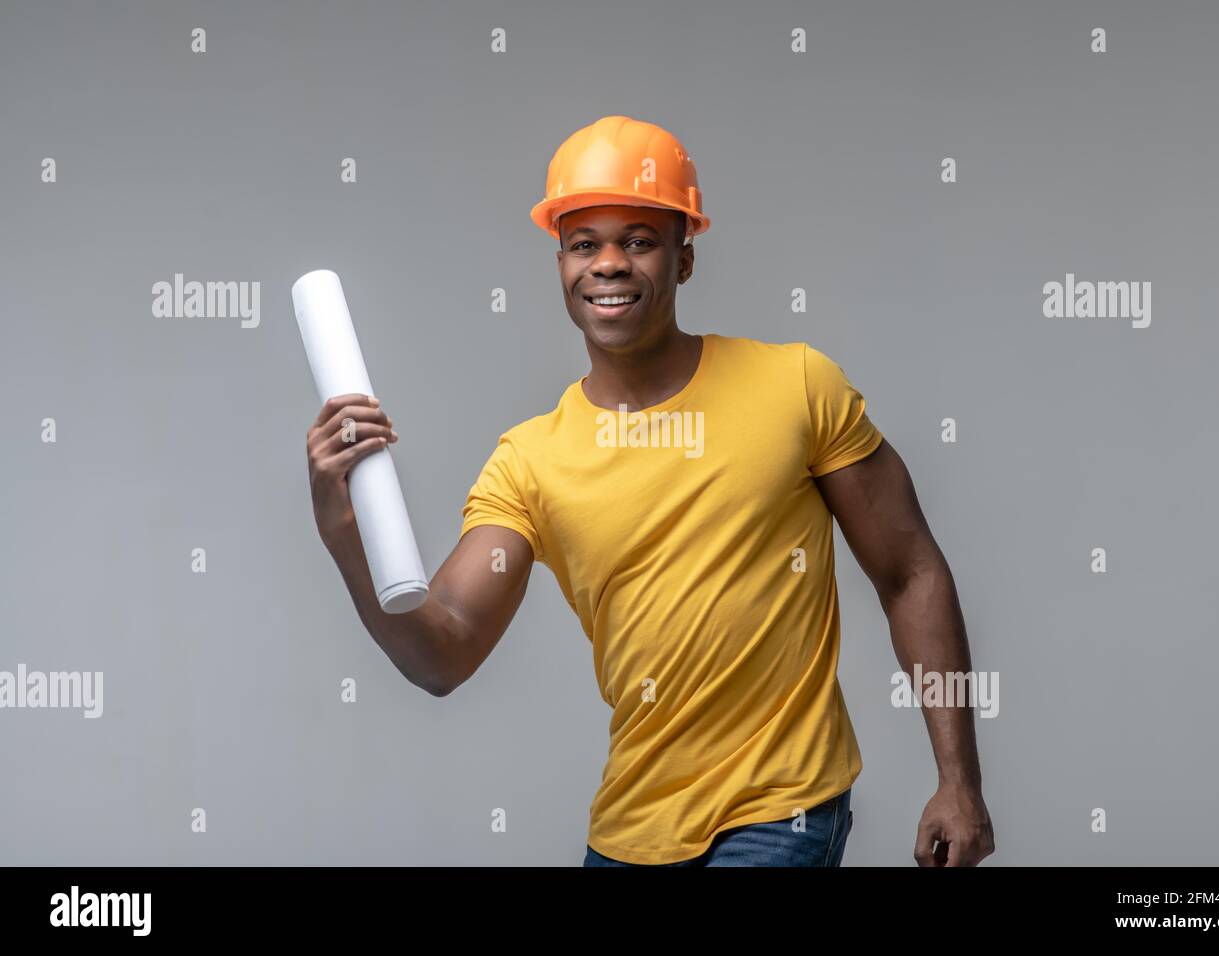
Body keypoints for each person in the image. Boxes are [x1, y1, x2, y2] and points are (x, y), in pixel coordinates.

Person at [305, 115, 994, 867]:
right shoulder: (530, 461)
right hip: (631, 830)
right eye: (583, 243)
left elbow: (911, 572)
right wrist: (345, 535)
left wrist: (958, 781)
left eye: (638, 239)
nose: (608, 264)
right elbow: (441, 655)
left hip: (781, 810)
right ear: (561, 264)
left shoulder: (795, 386)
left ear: (683, 258)